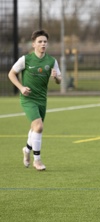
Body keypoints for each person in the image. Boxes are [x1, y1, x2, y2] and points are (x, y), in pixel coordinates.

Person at [8, 29, 62, 171]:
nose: (43, 44)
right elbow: (11, 74)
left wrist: (56, 77)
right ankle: (37, 160)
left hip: (42, 99)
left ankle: (26, 150)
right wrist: (20, 88)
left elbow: (59, 81)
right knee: (38, 127)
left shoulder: (51, 61)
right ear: (33, 44)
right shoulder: (25, 59)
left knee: (35, 128)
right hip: (28, 99)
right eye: (40, 41)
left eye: (45, 41)